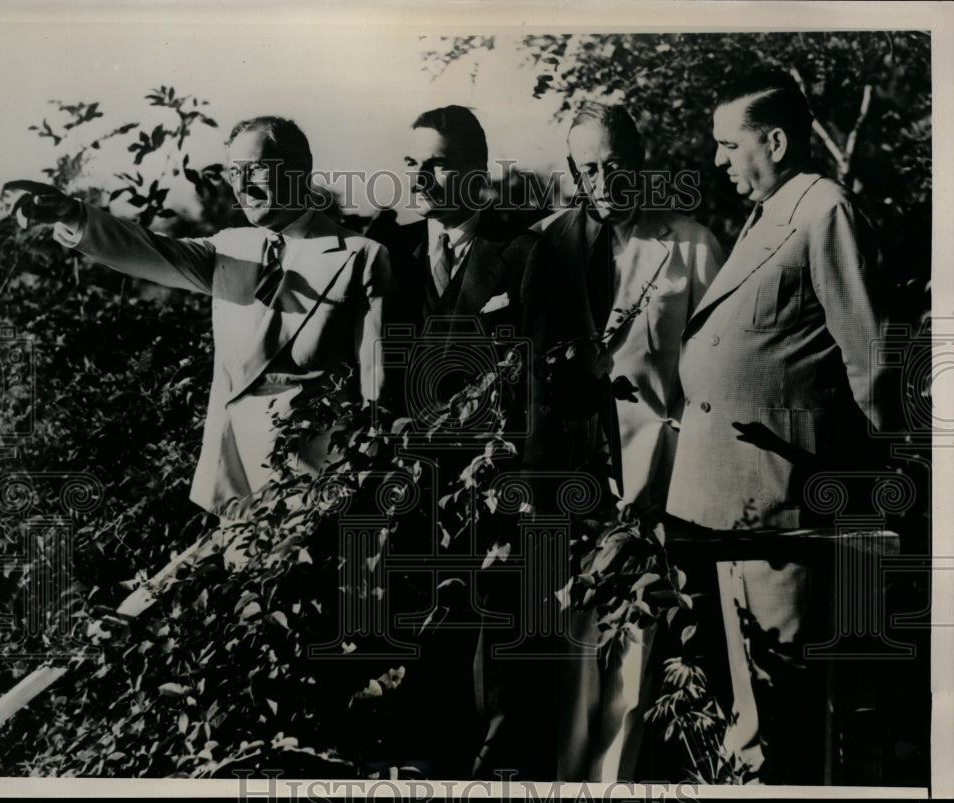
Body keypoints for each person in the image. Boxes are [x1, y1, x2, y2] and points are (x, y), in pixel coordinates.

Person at [665, 70, 890, 783]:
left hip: (788, 497)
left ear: (778, 140)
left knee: (784, 700)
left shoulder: (824, 211)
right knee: (753, 697)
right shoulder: (771, 213)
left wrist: (893, 489)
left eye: (731, 145)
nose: (720, 160)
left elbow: (874, 363)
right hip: (737, 501)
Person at [4, 116, 392, 519]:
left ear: (301, 171)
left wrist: (363, 480)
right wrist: (71, 214)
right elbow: (148, 250)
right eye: (234, 172)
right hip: (238, 485)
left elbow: (375, 384)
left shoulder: (360, 255)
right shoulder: (228, 249)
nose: (243, 186)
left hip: (320, 485)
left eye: (257, 169)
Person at [531, 102, 723, 782]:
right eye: (588, 167)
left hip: (655, 476)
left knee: (631, 642)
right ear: (573, 171)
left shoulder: (692, 244)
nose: (604, 179)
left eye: (616, 164)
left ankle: (609, 783)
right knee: (562, 642)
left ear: (640, 161)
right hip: (565, 475)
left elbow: (714, 373)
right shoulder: (546, 244)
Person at [373, 105, 560, 780]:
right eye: (412, 163)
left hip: (498, 468)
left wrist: (531, 481)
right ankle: (424, 752)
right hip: (418, 473)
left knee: (508, 609)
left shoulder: (522, 250)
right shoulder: (390, 252)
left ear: (477, 173)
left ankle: (509, 762)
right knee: (428, 609)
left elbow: (538, 371)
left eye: (439, 162)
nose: (421, 177)